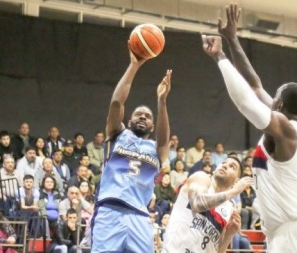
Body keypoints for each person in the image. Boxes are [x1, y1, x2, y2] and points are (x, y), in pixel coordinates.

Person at [202, 3, 297, 252]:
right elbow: (255, 85)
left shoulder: (286, 130)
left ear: (279, 104)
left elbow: (246, 101)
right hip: (287, 233)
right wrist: (231, 39)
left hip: (296, 234)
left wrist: (220, 57)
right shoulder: (290, 127)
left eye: (276, 97)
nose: (270, 99)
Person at [90, 44, 172, 253]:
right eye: (138, 114)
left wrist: (161, 101)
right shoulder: (117, 134)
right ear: (130, 119)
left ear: (153, 126)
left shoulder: (156, 149)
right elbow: (117, 103)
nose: (143, 116)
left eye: (147, 116)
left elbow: (164, 140)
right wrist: (134, 65)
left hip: (140, 216)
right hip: (110, 210)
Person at [162, 156, 253, 253]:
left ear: (236, 181)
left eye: (232, 166)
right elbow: (197, 203)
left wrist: (228, 235)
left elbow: (217, 250)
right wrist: (234, 191)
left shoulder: (229, 208)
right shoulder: (201, 178)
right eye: (224, 163)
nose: (225, 166)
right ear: (214, 170)